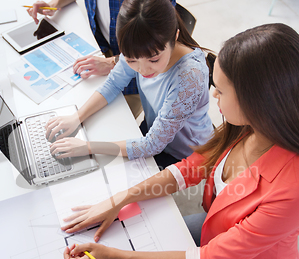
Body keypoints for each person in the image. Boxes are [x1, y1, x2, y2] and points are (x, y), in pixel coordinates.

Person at [61, 23, 299, 259]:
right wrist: (119, 200)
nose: (213, 97)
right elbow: (190, 168)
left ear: (260, 100)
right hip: (216, 229)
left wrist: (113, 257)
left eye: (221, 90)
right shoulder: (250, 127)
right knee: (131, 244)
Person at [44, 0, 213, 169]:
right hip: (155, 127)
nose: (143, 69)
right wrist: (76, 118)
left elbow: (152, 145)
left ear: (174, 37)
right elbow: (113, 83)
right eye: (131, 60)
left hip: (186, 153)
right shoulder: (138, 45)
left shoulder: (190, 75)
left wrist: (87, 147)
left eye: (154, 59)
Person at [28, 0, 176, 118]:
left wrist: (113, 62)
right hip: (105, 51)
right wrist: (54, 4)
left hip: (134, 75)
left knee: (105, 124)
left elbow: (156, 47)